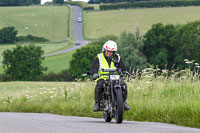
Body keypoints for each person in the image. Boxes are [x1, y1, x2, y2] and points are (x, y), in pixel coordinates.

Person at [90, 40, 130, 112]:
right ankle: (97, 103)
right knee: (99, 85)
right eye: (107, 51)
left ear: (113, 52)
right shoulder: (99, 57)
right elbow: (94, 67)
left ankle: (123, 102)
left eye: (111, 52)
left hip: (115, 77)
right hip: (103, 77)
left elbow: (122, 67)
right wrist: (94, 73)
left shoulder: (117, 58)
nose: (109, 53)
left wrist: (124, 71)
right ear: (104, 50)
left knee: (123, 85)